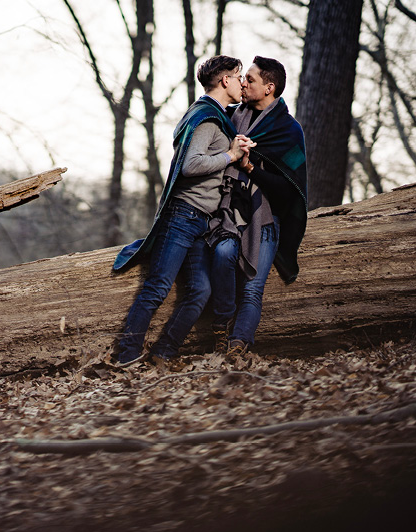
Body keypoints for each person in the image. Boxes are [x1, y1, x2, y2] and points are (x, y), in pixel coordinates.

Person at [112, 55, 254, 365]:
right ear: (224, 81)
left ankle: (163, 352)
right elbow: (191, 165)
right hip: (183, 216)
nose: (242, 82)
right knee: (157, 287)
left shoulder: (217, 116)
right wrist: (230, 156)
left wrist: (238, 155)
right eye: (238, 75)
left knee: (200, 292)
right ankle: (127, 355)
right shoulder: (205, 117)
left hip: (201, 221)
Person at [206, 55, 308, 357]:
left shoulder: (289, 131)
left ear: (269, 88)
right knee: (223, 257)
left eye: (250, 79)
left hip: (266, 217)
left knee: (252, 289)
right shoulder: (232, 117)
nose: (243, 83)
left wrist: (253, 169)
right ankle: (221, 328)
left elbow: (289, 191)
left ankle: (238, 347)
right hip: (226, 212)